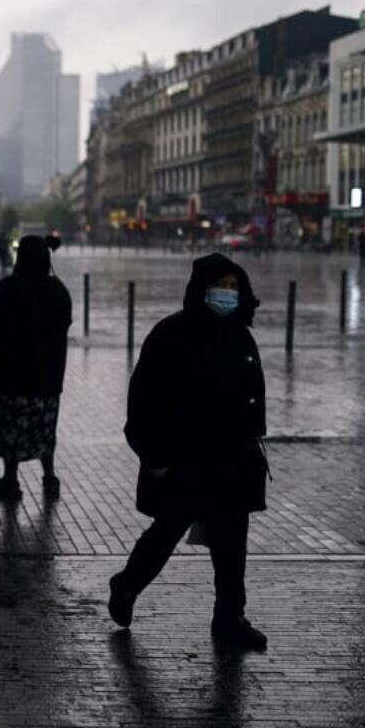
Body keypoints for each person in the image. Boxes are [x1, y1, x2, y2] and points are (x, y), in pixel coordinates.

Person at [108, 253, 269, 652]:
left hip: (233, 459)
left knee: (232, 542)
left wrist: (252, 445)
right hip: (185, 458)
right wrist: (153, 455)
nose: (227, 294)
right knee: (166, 531)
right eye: (221, 286)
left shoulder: (239, 335)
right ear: (201, 289)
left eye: (234, 286)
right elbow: (142, 400)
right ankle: (126, 585)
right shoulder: (171, 335)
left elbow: (251, 397)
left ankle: (229, 617)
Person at [0, 235, 72, 500]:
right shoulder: (58, 291)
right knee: (45, 429)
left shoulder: (7, 289)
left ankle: (10, 479)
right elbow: (65, 322)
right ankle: (49, 477)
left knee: (10, 428)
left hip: (11, 377)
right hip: (47, 378)